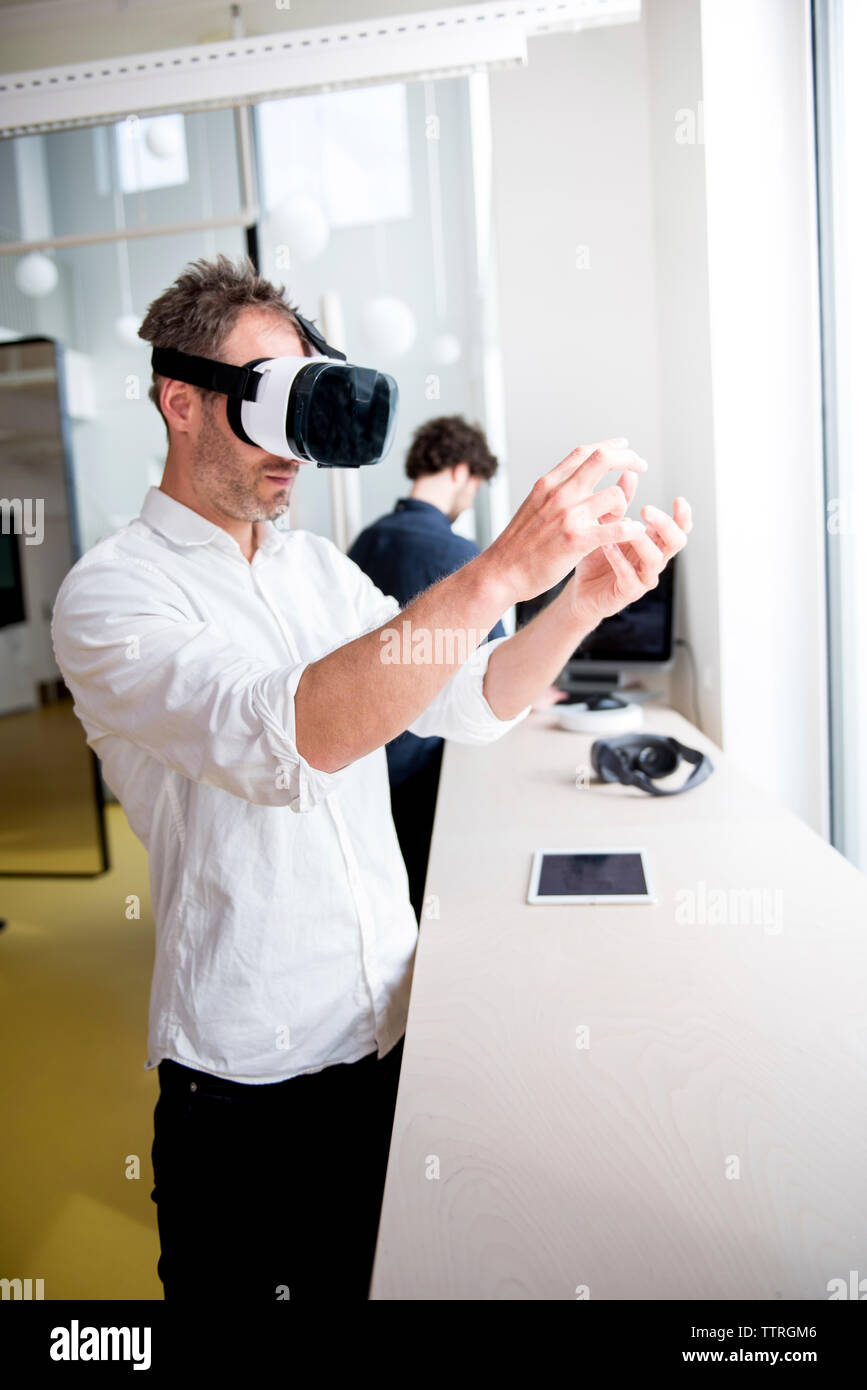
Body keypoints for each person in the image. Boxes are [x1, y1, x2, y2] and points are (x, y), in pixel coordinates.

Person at [50, 254, 692, 1303]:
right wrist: (492, 573)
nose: (300, 447)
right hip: (248, 1094)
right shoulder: (112, 596)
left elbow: (465, 700)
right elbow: (286, 734)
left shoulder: (315, 569)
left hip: (393, 1039)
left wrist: (576, 604)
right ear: (181, 401)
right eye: (274, 401)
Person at [349, 416, 505, 920]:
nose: (470, 499)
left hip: (357, 759)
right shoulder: (459, 554)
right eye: (476, 486)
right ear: (461, 472)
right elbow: (492, 674)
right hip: (421, 765)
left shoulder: (364, 543)